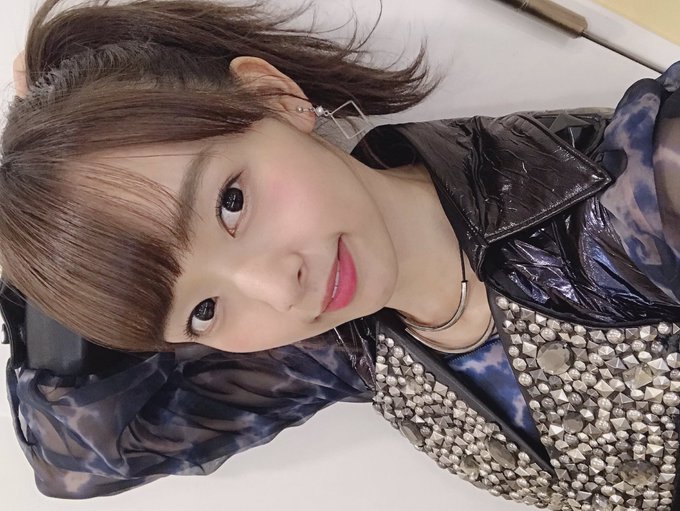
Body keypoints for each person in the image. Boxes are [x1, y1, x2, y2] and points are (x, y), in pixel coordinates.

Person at [2, 0, 680, 508]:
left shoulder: (638, 196)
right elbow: (81, 455)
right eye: (203, 310)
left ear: (275, 97)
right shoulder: (346, 346)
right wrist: (50, 231)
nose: (278, 288)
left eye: (232, 202)